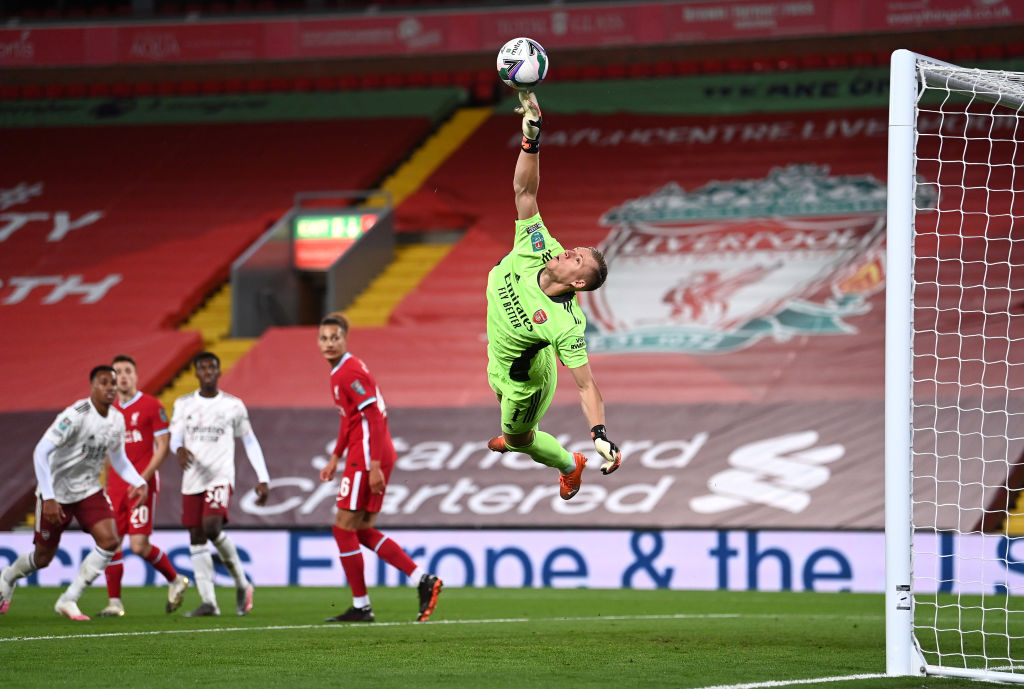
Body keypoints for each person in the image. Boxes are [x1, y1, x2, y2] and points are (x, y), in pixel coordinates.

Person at [484, 90, 623, 499]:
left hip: (527, 377)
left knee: (522, 439)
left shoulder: (566, 323)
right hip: (501, 349)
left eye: (576, 260)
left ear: (578, 283)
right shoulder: (538, 243)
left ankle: (568, 464)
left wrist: (599, 434)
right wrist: (532, 137)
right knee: (501, 401)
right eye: (575, 249)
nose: (568, 251)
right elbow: (524, 192)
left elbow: (585, 385)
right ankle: (513, 431)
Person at [317, 312, 442, 623]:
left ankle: (361, 606)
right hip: (369, 453)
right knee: (358, 529)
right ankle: (421, 579)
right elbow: (350, 419)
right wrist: (335, 456)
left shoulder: (348, 373)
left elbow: (373, 415)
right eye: (324, 338)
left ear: (345, 339)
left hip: (368, 455)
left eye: (335, 337)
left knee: (342, 527)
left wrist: (372, 465)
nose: (329, 343)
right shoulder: (342, 372)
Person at [0, 366, 149, 620]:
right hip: (56, 492)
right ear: (92, 386)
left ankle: (69, 599)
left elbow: (119, 459)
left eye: (113, 383)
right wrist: (48, 496)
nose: (110, 387)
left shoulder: (116, 419)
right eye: (104, 383)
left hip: (89, 490)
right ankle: (8, 576)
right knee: (43, 557)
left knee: (110, 540)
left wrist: (139, 481)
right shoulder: (76, 414)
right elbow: (41, 452)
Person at [169, 351, 270, 617]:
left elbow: (249, 440)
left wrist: (263, 477)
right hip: (192, 478)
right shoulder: (183, 404)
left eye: (212, 367)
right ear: (196, 373)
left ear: (218, 371)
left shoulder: (233, 406)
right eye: (202, 368)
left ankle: (242, 583)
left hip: (220, 476)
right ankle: (209, 602)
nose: (208, 372)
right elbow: (174, 439)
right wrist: (178, 450)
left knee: (211, 526)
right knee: (196, 536)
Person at [98, 354, 191, 617]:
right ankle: (114, 603)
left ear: (136, 376)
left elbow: (162, 447)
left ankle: (175, 580)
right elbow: (107, 452)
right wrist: (104, 485)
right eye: (118, 372)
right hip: (115, 487)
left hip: (143, 485)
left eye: (128, 371)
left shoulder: (151, 405)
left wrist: (143, 479)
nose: (123, 376)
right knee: (110, 544)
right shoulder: (108, 411)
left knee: (138, 545)